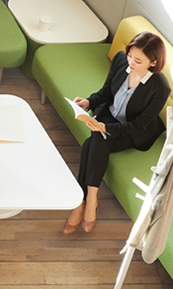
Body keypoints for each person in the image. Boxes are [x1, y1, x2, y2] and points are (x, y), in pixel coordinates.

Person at [63, 32, 170, 234]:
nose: (131, 62)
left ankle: (84, 201)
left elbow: (139, 124)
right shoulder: (121, 60)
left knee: (94, 141)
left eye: (138, 60)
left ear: (153, 62)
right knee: (96, 140)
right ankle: (89, 200)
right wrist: (89, 102)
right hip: (110, 116)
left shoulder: (160, 87)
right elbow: (106, 92)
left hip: (133, 131)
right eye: (130, 55)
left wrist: (106, 128)